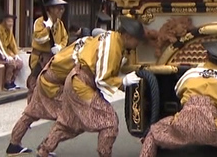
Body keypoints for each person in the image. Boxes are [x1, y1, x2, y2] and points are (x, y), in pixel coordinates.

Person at [34, 17, 146, 157]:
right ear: (128, 36)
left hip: (76, 80)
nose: (138, 44)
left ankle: (44, 150)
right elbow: (103, 79)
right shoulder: (113, 45)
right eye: (137, 40)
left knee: (70, 122)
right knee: (110, 121)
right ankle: (104, 154)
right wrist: (123, 82)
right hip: (82, 83)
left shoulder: (112, 39)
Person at [5, 29, 106, 156]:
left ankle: (14, 144)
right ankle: (45, 149)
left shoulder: (81, 43)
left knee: (31, 113)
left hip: (45, 74)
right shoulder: (89, 51)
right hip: (54, 83)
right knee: (70, 118)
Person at [28, 0, 68, 91]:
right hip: (40, 58)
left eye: (62, 9)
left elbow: (65, 37)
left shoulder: (60, 23)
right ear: (51, 9)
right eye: (58, 8)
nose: (61, 11)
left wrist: (60, 47)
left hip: (53, 58)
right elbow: (39, 38)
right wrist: (47, 28)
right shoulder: (40, 22)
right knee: (35, 84)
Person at [0, 13, 24, 91]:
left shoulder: (9, 31)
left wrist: (16, 54)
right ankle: (7, 83)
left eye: (12, 22)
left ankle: (12, 81)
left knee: (19, 63)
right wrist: (6, 57)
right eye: (9, 21)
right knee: (11, 64)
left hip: (6, 51)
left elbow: (12, 44)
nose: (11, 24)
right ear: (4, 21)